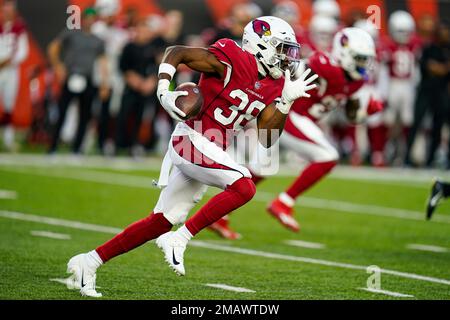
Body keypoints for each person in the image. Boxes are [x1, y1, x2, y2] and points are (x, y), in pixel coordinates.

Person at [64, 16, 318, 297]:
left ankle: (89, 262)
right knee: (244, 186)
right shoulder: (232, 57)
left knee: (161, 220)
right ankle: (180, 238)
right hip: (190, 139)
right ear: (261, 44)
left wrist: (285, 102)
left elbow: (268, 135)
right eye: (281, 50)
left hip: (211, 147)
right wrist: (163, 89)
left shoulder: (275, 82)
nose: (285, 59)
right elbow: (177, 52)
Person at [213, 28, 383, 235]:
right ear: (344, 53)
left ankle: (219, 215)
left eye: (366, 60)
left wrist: (367, 113)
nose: (364, 65)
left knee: (259, 170)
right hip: (289, 116)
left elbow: (352, 116)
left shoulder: (356, 81)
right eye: (360, 59)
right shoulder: (324, 64)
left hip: (298, 121)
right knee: (328, 156)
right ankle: (284, 202)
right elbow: (291, 72)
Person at [47, 8, 109, 154]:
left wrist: (105, 83)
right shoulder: (72, 34)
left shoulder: (97, 40)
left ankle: (77, 149)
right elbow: (53, 47)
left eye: (92, 18)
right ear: (82, 19)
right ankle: (53, 147)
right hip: (71, 76)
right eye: (87, 18)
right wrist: (58, 66)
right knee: (62, 112)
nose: (89, 21)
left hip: (87, 79)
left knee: (85, 116)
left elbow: (103, 62)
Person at [115, 16, 164, 157]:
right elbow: (123, 66)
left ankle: (135, 145)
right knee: (123, 115)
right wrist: (133, 80)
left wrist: (151, 81)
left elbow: (157, 67)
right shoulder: (129, 47)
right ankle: (118, 144)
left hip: (146, 89)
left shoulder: (153, 49)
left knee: (140, 118)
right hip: (131, 87)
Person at [404, 23, 450, 168]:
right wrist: (440, 68)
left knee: (438, 126)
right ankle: (407, 158)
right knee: (416, 124)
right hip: (425, 91)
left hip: (441, 93)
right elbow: (428, 66)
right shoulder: (428, 48)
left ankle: (431, 159)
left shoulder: (447, 50)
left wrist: (439, 68)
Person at [382, 11, 422, 165]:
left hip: (408, 85)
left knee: (407, 120)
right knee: (390, 120)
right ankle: (388, 150)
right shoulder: (389, 45)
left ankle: (405, 153)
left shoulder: (415, 44)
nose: (403, 35)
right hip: (393, 84)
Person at [92, 0, 129, 155]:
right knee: (95, 109)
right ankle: (92, 140)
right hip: (98, 73)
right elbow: (100, 56)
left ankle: (107, 141)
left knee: (113, 110)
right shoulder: (96, 30)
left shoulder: (121, 32)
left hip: (116, 74)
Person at [0, 0, 28, 151]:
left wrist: (10, 61)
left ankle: (8, 138)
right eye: (5, 8)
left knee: (9, 104)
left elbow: (23, 51)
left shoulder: (19, 28)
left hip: (11, 70)